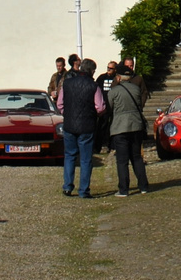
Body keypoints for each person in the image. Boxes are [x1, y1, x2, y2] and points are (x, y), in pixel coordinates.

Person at [58, 59, 103, 198]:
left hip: (70, 125)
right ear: (91, 71)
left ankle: (67, 186)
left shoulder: (67, 83)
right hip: (87, 125)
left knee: (70, 156)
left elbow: (60, 104)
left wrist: (68, 114)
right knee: (85, 159)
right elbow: (100, 107)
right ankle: (83, 190)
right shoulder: (94, 86)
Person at [107, 65, 150, 197]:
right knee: (137, 157)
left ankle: (123, 189)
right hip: (136, 125)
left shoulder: (113, 91)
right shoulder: (136, 89)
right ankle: (144, 186)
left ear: (118, 77)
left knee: (122, 160)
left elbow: (110, 108)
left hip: (120, 127)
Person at [94, 61, 117, 153]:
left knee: (113, 127)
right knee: (101, 126)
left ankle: (111, 146)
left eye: (111, 68)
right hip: (103, 107)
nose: (108, 70)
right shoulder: (101, 78)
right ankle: (97, 146)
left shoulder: (116, 79)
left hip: (114, 107)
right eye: (108, 67)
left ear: (115, 69)